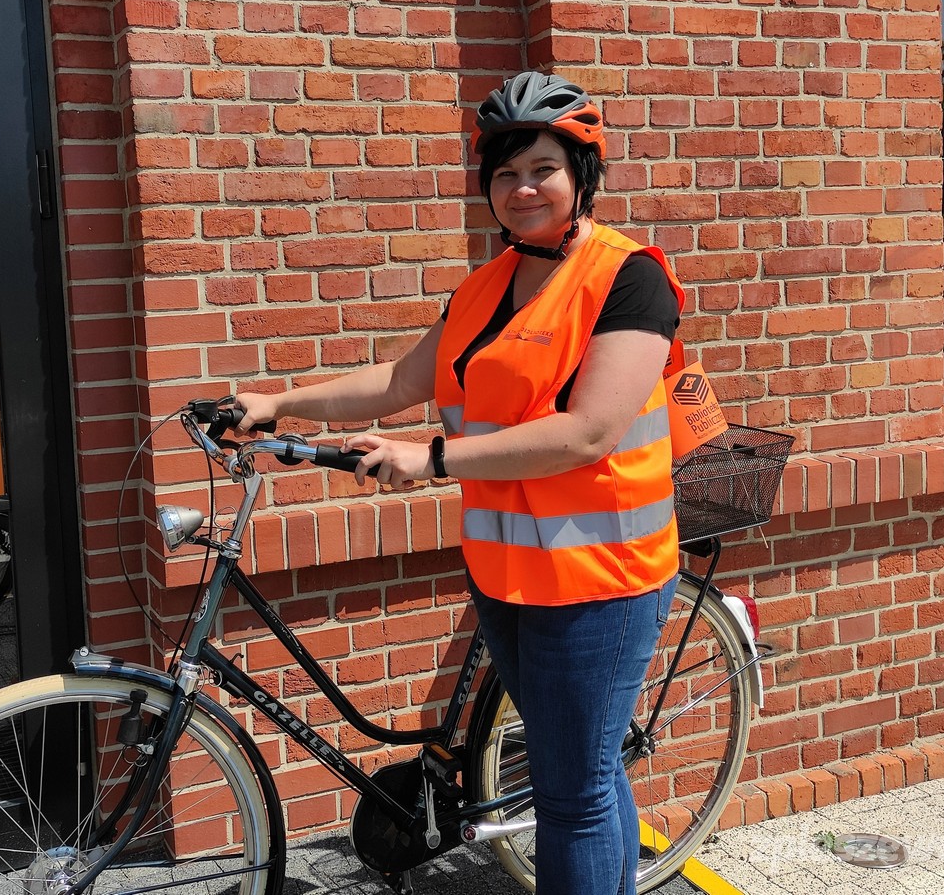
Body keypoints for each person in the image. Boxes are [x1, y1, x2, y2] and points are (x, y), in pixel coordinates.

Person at [236, 71, 685, 895]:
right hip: (508, 577)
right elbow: (399, 382)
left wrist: (432, 459)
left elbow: (589, 431)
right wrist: (278, 403)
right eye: (506, 172)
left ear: (582, 175)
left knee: (571, 795)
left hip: (601, 583)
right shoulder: (483, 288)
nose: (523, 188)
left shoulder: (628, 277)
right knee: (583, 773)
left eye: (543, 168)